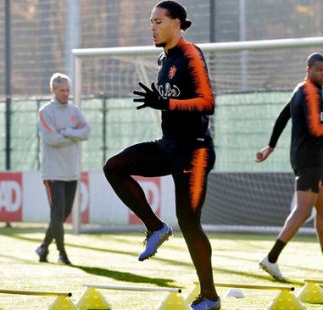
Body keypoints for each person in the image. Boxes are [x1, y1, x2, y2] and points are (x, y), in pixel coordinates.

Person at [102, 1, 220, 309]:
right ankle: (155, 227)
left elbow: (207, 103)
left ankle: (210, 296)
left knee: (189, 221)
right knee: (114, 166)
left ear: (176, 23)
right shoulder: (162, 59)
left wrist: (165, 104)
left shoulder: (191, 54)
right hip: (169, 146)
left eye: (157, 21)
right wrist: (163, 104)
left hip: (194, 152)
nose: (151, 27)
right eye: (150, 21)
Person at [255, 53, 323, 281]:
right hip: (309, 160)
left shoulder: (300, 88)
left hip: (310, 160)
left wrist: (270, 146)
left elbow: (283, 115)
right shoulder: (312, 92)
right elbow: (316, 130)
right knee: (303, 211)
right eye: (320, 70)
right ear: (308, 69)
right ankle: (271, 259)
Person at [35, 72, 90, 265]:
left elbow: (86, 132)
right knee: (57, 214)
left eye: (68, 90)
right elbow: (51, 139)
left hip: (71, 171)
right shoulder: (45, 112)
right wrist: (74, 135)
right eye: (62, 90)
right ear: (53, 90)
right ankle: (62, 253)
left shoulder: (74, 111)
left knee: (63, 214)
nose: (66, 93)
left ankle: (43, 247)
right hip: (53, 172)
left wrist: (66, 132)